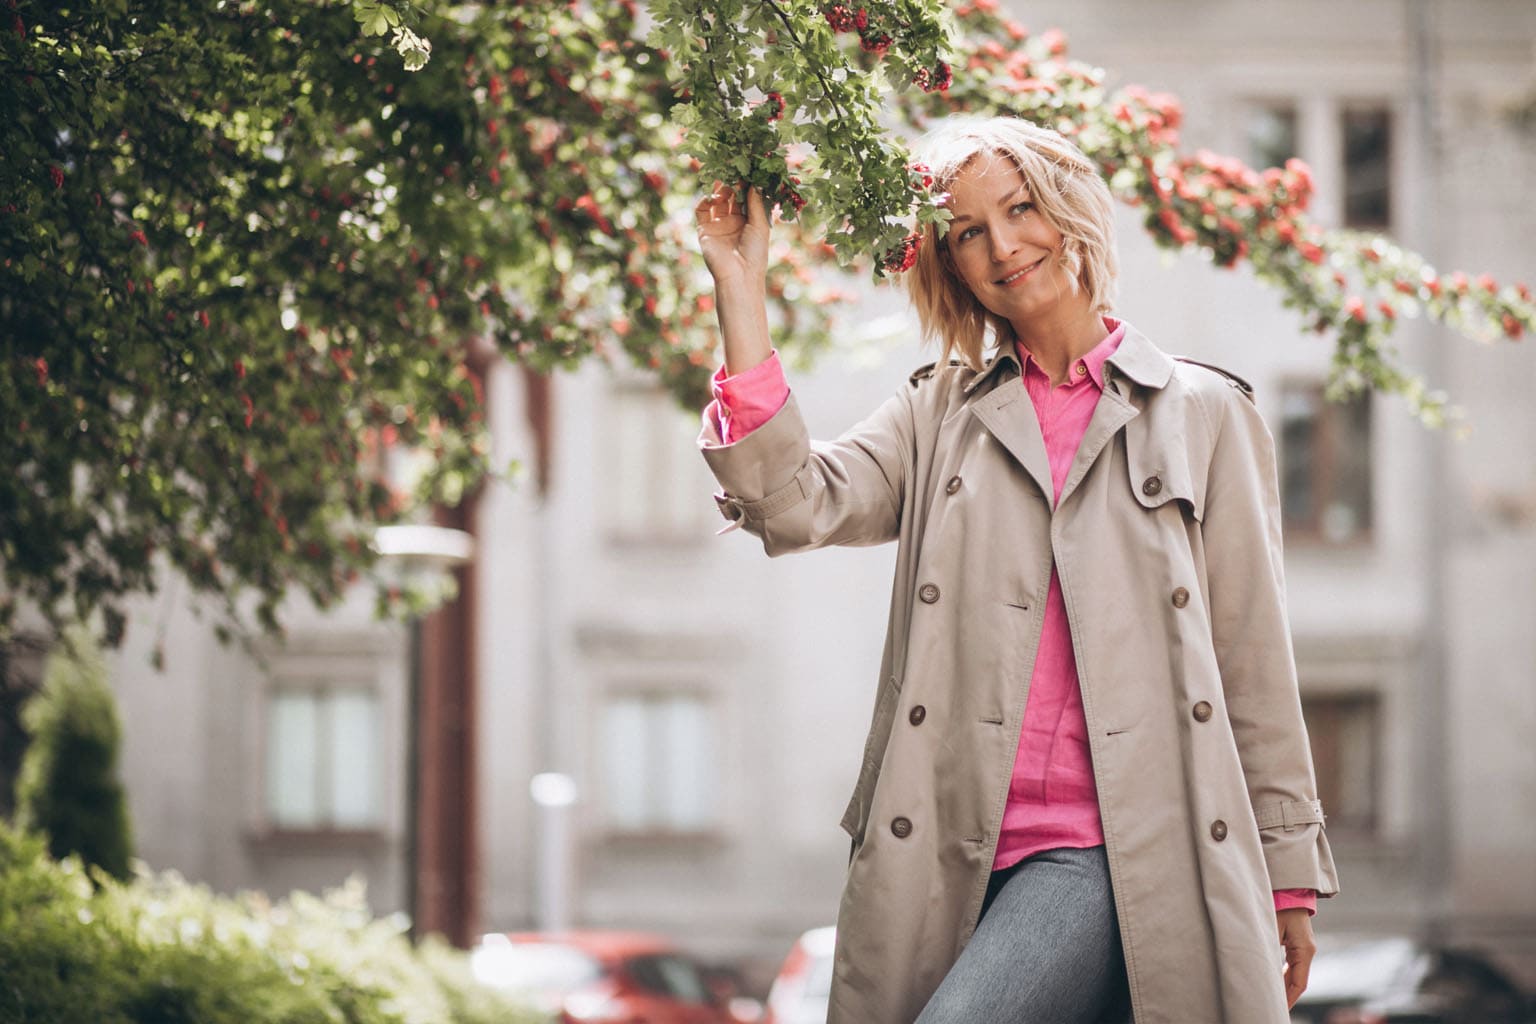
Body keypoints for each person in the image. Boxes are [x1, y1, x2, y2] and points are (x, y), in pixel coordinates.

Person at [693, 115, 1339, 1024]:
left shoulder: (1202, 412)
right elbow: (793, 503)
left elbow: (1252, 657)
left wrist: (1289, 876)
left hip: (1107, 851)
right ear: (950, 263)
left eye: (1021, 208)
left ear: (1068, 207)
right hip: (941, 851)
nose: (1002, 245)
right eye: (967, 231)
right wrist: (740, 288)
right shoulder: (938, 414)